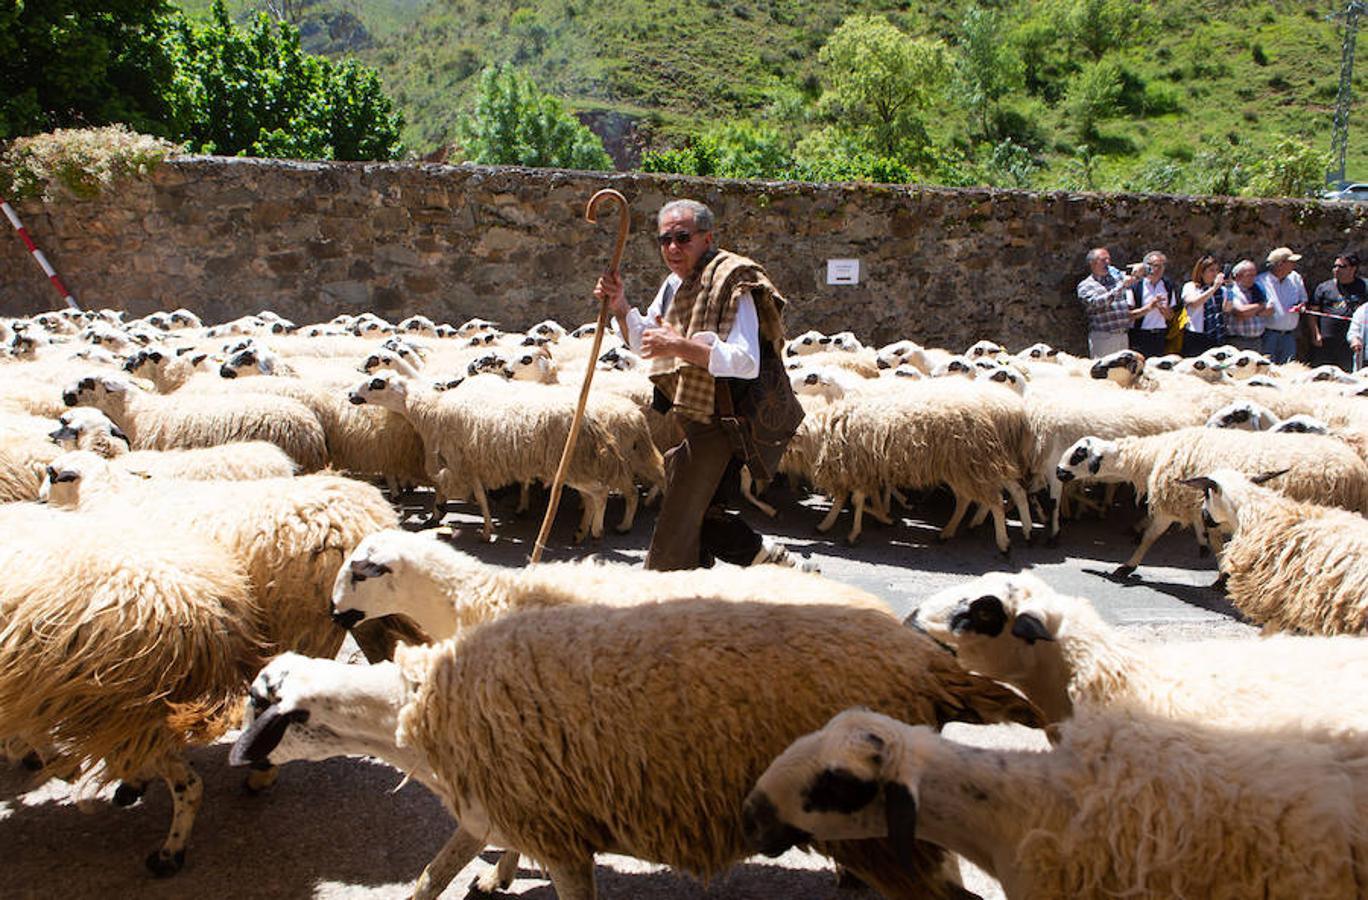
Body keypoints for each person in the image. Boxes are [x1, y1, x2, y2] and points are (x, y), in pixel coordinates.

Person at [594, 199, 808, 572]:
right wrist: (619, 303)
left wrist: (678, 345)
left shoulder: (732, 281)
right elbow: (645, 340)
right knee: (703, 519)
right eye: (665, 240)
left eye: (683, 237)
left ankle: (665, 598)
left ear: (706, 238)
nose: (673, 247)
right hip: (691, 416)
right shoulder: (674, 284)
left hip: (725, 423)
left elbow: (745, 362)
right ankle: (775, 565)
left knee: (677, 528)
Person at [1077, 247, 1140, 357]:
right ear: (1092, 263)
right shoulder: (1086, 285)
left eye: (1108, 259)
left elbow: (1141, 277)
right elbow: (1096, 303)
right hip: (1104, 337)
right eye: (1103, 260)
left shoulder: (1116, 278)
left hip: (1123, 335)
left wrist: (1141, 269)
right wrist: (1120, 287)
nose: (1107, 263)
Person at [1309, 252, 1368, 371]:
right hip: (1326, 342)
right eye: (1335, 266)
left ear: (1353, 268)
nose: (1336, 270)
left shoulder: (1364, 286)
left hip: (1352, 343)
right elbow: (1313, 313)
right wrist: (1316, 334)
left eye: (1341, 267)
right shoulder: (1324, 288)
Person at [1257, 247, 1308, 364]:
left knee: (1288, 368)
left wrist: (1301, 306)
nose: (1294, 265)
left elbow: (1303, 300)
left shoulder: (1295, 278)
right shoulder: (1261, 281)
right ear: (1280, 264)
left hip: (1289, 335)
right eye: (1291, 262)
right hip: (1268, 334)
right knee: (1267, 367)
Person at [1126, 250, 1176, 358]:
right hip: (1139, 335)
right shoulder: (1136, 286)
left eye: (1162, 266)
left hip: (1160, 335)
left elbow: (1171, 316)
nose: (1159, 269)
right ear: (1146, 267)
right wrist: (1150, 307)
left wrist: (1164, 310)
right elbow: (1128, 315)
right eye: (1155, 265)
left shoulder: (1167, 286)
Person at [1180, 255, 1226, 357]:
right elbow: (1194, 303)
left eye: (1216, 270)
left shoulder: (1221, 290)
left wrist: (1230, 289)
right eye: (1211, 270)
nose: (1215, 274)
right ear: (1201, 272)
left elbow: (1227, 308)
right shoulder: (1191, 286)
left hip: (1215, 335)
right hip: (1196, 335)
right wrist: (1213, 288)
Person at [1221, 259, 1270, 352]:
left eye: (1254, 275)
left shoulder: (1258, 290)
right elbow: (1241, 312)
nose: (1253, 278)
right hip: (1238, 341)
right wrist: (1260, 306)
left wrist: (1252, 311)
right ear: (1238, 276)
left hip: (1257, 341)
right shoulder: (1230, 291)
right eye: (1249, 275)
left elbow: (1271, 309)